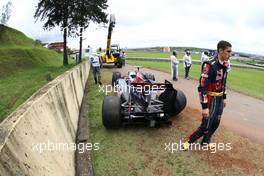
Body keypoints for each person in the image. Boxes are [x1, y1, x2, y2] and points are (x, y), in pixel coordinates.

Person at [183, 40, 232, 150]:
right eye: (228, 51)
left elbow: (224, 82)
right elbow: (202, 87)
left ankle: (206, 141)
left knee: (216, 122)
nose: (230, 54)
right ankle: (190, 141)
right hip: (211, 99)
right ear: (220, 51)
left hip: (219, 98)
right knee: (206, 124)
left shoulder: (225, 65)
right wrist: (204, 107)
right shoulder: (209, 65)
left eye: (230, 51)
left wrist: (224, 97)